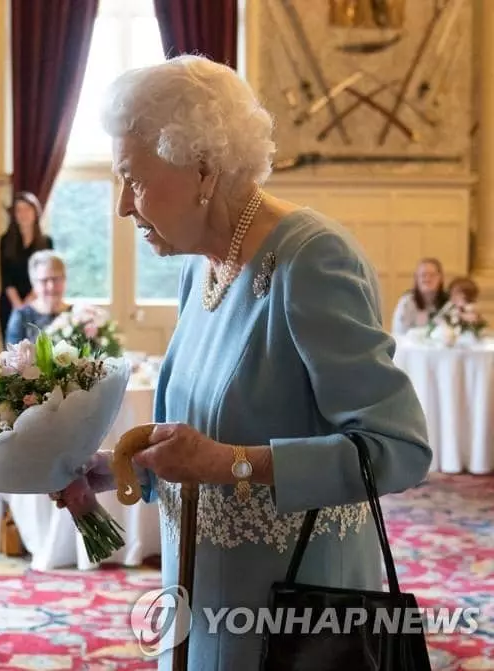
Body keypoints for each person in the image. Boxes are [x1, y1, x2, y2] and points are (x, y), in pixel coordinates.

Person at [53, 55, 431, 670]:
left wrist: (230, 464)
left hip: (297, 614)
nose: (123, 205)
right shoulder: (200, 265)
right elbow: (205, 438)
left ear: (202, 170)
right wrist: (111, 467)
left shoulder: (312, 259)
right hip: (199, 597)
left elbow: (397, 450)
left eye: (134, 179)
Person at [0, 191, 53, 343]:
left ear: (35, 212)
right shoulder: (5, 241)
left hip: (38, 300)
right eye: (19, 210)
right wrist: (18, 306)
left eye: (27, 209)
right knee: (12, 351)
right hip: (10, 303)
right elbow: (5, 277)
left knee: (37, 348)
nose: (23, 214)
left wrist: (28, 301)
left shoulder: (46, 242)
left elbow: (47, 275)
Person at [4, 250, 69, 346]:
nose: (51, 286)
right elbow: (11, 357)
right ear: (34, 283)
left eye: (56, 279)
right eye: (44, 280)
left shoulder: (76, 316)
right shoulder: (21, 316)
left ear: (64, 280)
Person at [391, 257, 448, 335]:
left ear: (441, 278)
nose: (427, 279)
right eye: (423, 275)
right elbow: (399, 333)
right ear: (416, 279)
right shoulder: (407, 302)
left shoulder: (448, 302)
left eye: (432, 275)